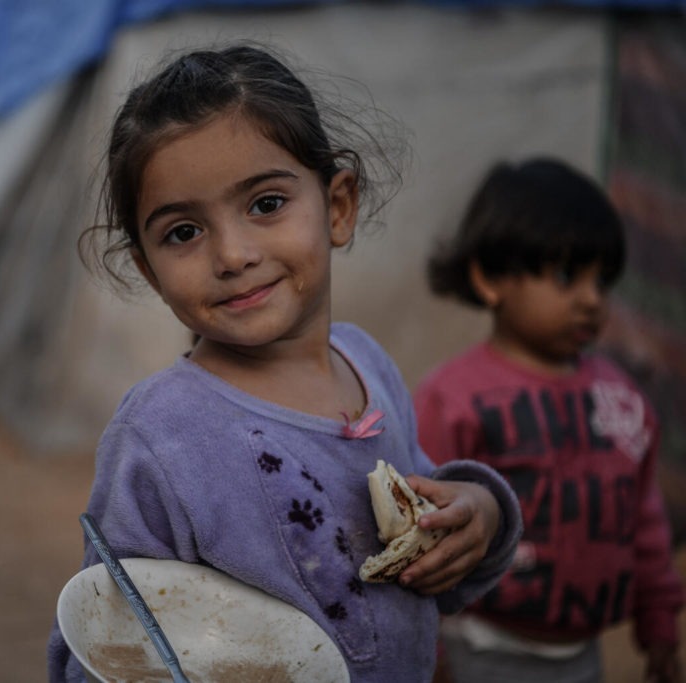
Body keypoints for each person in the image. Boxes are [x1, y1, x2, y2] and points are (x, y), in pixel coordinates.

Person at [48, 44, 522, 683]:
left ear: (337, 207)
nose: (233, 254)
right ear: (149, 271)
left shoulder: (368, 366)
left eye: (266, 203)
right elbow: (104, 631)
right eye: (183, 232)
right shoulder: (163, 432)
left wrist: (481, 515)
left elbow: (421, 519)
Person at [414, 157, 684, 683]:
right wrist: (430, 647)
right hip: (480, 652)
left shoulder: (623, 400)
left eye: (602, 281)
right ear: (491, 277)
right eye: (566, 276)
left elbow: (645, 520)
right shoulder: (453, 400)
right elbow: (421, 526)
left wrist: (660, 623)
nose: (591, 300)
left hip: (584, 656)